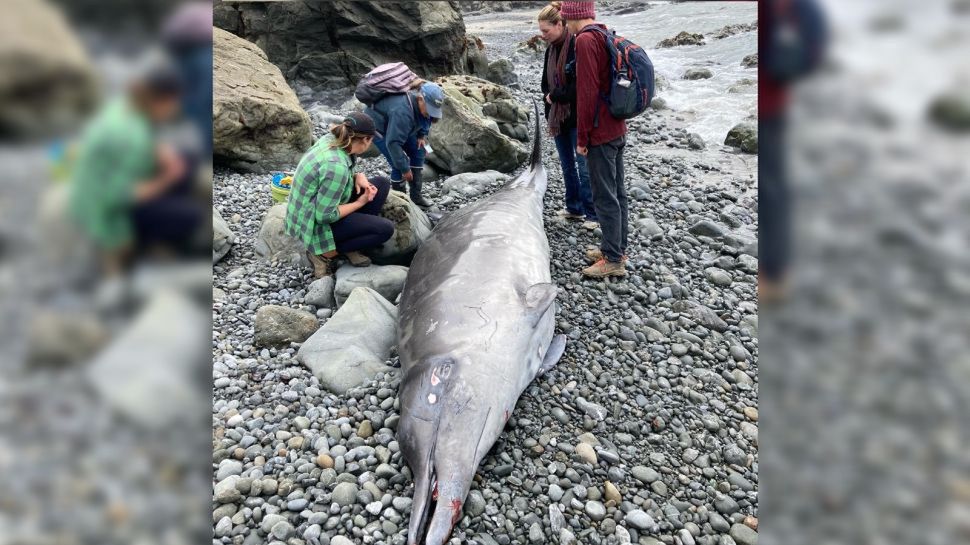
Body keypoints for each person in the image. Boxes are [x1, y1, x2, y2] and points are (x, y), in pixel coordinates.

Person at [69, 57, 200, 276]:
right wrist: (167, 178)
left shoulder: (124, 108)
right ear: (161, 101)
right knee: (191, 216)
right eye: (174, 102)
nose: (176, 108)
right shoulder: (129, 137)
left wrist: (161, 153)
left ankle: (163, 217)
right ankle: (149, 247)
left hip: (102, 183)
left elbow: (144, 144)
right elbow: (119, 197)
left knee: (188, 161)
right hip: (103, 211)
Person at [563, 1, 629, 278]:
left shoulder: (586, 40)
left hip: (601, 133)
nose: (565, 23)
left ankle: (613, 260)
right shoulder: (604, 33)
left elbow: (587, 93)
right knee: (618, 193)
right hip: (617, 127)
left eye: (565, 18)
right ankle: (615, 248)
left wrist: (583, 137)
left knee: (605, 197)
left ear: (572, 16)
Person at [284, 112, 395, 278]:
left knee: (381, 183)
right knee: (385, 230)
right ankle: (324, 253)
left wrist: (358, 176)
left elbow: (333, 177)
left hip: (317, 203)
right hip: (313, 223)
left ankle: (351, 237)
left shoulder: (333, 139)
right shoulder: (336, 167)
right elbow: (324, 216)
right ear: (365, 140)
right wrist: (360, 203)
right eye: (371, 139)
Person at [538, 1, 598, 229]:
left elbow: (581, 85)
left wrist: (555, 96)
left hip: (576, 117)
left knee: (584, 167)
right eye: (541, 30)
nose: (542, 35)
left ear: (560, 24)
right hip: (558, 118)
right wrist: (550, 97)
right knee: (566, 165)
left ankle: (592, 215)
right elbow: (545, 84)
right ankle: (574, 208)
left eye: (546, 30)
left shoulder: (577, 46)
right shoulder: (550, 50)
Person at [365, 81, 445, 208]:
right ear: (420, 99)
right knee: (397, 164)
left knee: (420, 150)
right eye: (430, 109)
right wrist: (405, 168)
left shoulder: (422, 107)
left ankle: (416, 197)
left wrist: (421, 135)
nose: (431, 113)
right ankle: (401, 200)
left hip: (401, 127)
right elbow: (393, 143)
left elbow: (426, 119)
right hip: (381, 130)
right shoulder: (402, 111)